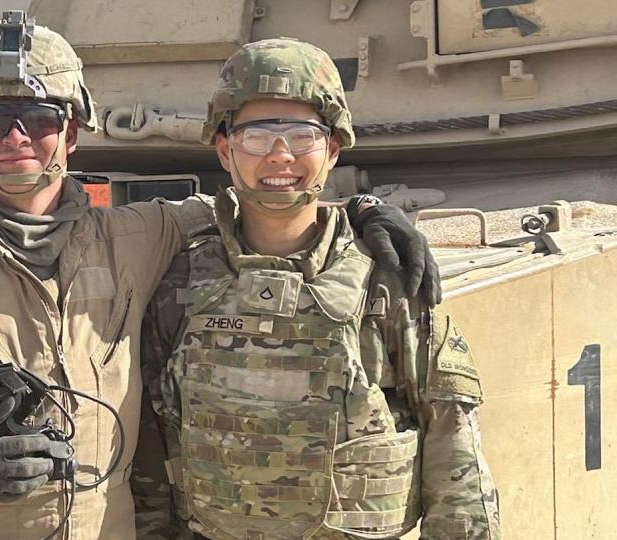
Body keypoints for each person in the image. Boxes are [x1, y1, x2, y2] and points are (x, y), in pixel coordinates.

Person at [0, 13, 440, 540]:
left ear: (71, 133)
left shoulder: (132, 237)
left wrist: (360, 209)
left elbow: (261, 201)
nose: (18, 137)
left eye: (41, 119)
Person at [137, 39, 500, 540]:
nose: (280, 155)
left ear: (332, 149)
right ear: (226, 150)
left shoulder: (388, 283)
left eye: (302, 136)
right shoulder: (181, 282)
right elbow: (153, 452)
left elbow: (453, 457)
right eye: (258, 136)